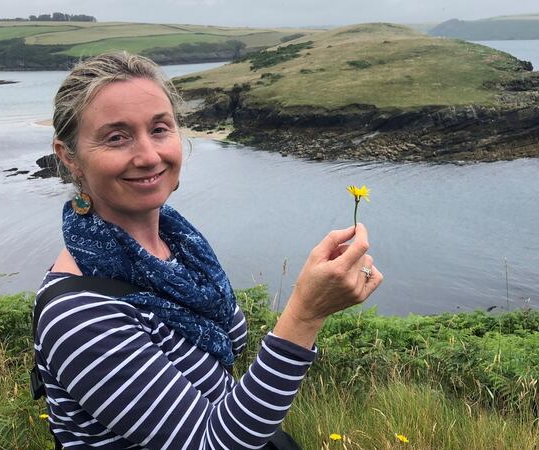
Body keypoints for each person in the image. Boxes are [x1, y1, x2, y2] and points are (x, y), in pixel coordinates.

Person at [34, 52, 383, 449]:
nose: (149, 156)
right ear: (69, 157)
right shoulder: (79, 314)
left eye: (160, 129)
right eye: (117, 137)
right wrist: (306, 314)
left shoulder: (179, 246)